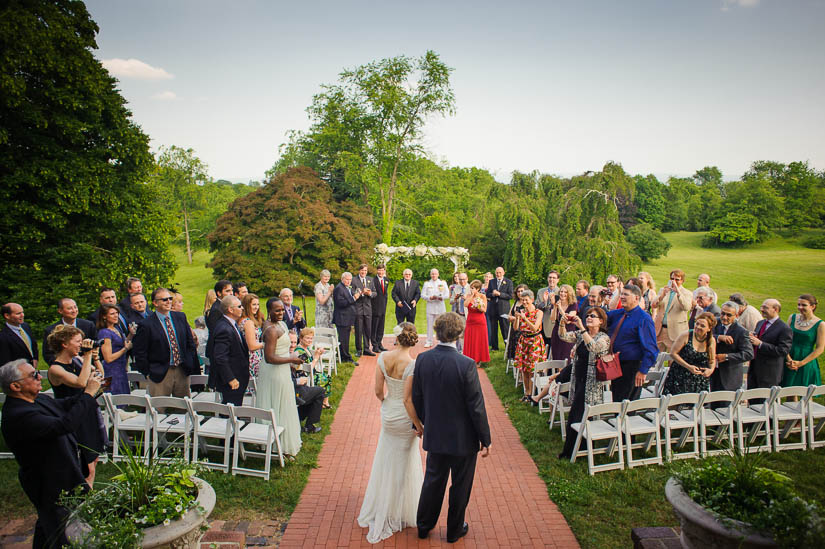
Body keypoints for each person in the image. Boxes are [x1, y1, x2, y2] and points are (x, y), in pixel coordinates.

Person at [1, 359, 101, 549]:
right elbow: (64, 425)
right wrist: (88, 394)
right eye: (33, 375)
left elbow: (65, 404)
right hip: (48, 481)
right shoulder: (18, 414)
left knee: (48, 525)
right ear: (15, 386)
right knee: (60, 529)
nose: (40, 377)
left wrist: (95, 390)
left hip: (61, 473)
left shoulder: (36, 398)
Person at [410, 312, 491, 543]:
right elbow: (476, 406)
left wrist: (422, 423)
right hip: (463, 439)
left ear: (436, 332)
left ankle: (424, 526)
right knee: (460, 486)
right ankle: (454, 530)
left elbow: (417, 396)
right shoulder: (466, 364)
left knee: (433, 481)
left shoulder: (423, 359)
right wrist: (485, 438)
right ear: (459, 333)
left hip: (435, 434)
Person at [357, 323, 423, 543]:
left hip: (388, 413)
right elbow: (408, 399)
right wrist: (418, 424)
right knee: (404, 462)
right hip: (404, 416)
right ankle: (400, 509)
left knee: (385, 457)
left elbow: (378, 390)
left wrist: (385, 403)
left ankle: (383, 503)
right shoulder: (412, 364)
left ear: (396, 338)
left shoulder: (383, 358)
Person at [46, 325, 107, 487]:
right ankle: (82, 494)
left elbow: (100, 375)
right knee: (83, 459)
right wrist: (87, 356)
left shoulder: (79, 360)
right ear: (65, 344)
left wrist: (95, 358)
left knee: (93, 456)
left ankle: (89, 491)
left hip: (88, 410)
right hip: (72, 414)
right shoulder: (55, 369)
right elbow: (81, 383)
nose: (81, 345)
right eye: (78, 341)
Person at [547, 307, 610, 459]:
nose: (588, 318)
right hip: (578, 380)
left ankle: (572, 452)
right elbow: (563, 336)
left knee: (579, 416)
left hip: (592, 385)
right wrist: (562, 323)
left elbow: (594, 348)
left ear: (600, 321)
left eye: (592, 316)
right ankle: (577, 450)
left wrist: (582, 328)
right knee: (576, 415)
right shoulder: (581, 335)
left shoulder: (603, 338)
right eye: (587, 315)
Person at [132, 288, 200, 397]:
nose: (168, 302)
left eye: (170, 298)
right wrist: (148, 372)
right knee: (159, 409)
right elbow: (140, 352)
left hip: (181, 369)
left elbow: (189, 343)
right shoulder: (146, 324)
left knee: (183, 408)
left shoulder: (180, 317)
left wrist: (189, 360)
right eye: (164, 299)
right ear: (155, 303)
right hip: (159, 373)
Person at [258, 299, 303, 456]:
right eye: (277, 310)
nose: (281, 313)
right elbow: (269, 358)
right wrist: (292, 359)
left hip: (282, 369)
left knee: (285, 403)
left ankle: (282, 441)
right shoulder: (270, 330)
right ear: (269, 310)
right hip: (274, 373)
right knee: (278, 403)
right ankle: (277, 444)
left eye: (282, 310)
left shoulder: (282, 324)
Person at [607, 284, 659, 402]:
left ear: (636, 298)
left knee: (626, 403)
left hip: (632, 367)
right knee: (617, 400)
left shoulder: (643, 318)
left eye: (626, 294)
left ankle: (623, 420)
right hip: (616, 364)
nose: (622, 297)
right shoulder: (618, 314)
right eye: (621, 294)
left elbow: (651, 348)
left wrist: (643, 371)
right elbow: (601, 317)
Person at [661, 312, 717, 395]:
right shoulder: (686, 336)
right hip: (680, 375)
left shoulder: (711, 341)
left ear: (709, 328)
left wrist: (711, 370)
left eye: (702, 326)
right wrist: (689, 367)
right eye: (697, 323)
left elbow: (712, 359)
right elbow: (673, 353)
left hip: (699, 380)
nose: (698, 327)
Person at [210, 296, 250, 405]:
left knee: (235, 407)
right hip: (232, 378)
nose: (242, 308)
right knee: (231, 409)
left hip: (239, 375)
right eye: (239, 306)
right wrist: (230, 378)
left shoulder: (231, 324)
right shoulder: (224, 328)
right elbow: (220, 357)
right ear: (230, 310)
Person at [747, 299, 793, 390]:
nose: (761, 309)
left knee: (764, 401)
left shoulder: (784, 328)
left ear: (775, 309)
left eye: (765, 307)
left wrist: (760, 344)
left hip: (769, 373)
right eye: (762, 306)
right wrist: (752, 338)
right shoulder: (760, 323)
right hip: (755, 368)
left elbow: (783, 351)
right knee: (752, 399)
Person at [710, 301, 754, 392]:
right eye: (723, 313)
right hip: (712, 373)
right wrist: (718, 337)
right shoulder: (714, 323)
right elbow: (703, 336)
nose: (724, 317)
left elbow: (748, 354)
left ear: (736, 316)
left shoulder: (741, 331)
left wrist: (726, 357)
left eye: (729, 315)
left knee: (725, 404)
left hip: (729, 376)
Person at [782, 294, 824, 388]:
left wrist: (801, 363)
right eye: (798, 304)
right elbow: (784, 339)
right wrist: (789, 359)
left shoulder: (820, 324)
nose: (800, 307)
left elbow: (820, 348)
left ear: (813, 306)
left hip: (806, 359)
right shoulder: (792, 317)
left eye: (804, 305)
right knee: (790, 391)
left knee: (806, 393)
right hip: (789, 356)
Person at [287, 333, 325, 434]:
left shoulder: (293, 354)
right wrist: (297, 381)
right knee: (320, 392)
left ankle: (299, 419)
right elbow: (306, 372)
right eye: (291, 342)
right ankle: (309, 425)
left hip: (298, 386)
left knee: (315, 392)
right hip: (293, 390)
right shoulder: (290, 355)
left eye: (295, 342)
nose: (293, 345)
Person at [42, 298, 97, 364]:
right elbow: (48, 354)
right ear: (60, 311)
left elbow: (95, 344)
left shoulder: (88, 325)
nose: (74, 310)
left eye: (75, 307)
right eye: (69, 308)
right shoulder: (51, 330)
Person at [514, 289, 545, 400]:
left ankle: (532, 394)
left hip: (534, 341)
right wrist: (517, 318)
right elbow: (516, 328)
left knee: (532, 369)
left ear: (532, 300)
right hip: (524, 341)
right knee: (524, 369)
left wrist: (525, 319)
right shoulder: (522, 312)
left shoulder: (538, 312)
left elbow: (535, 328)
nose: (524, 302)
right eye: (522, 300)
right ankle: (526, 393)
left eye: (526, 300)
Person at [97, 303, 134, 395]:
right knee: (113, 399)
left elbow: (122, 344)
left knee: (124, 398)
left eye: (117, 313)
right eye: (112, 314)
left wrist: (131, 334)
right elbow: (108, 358)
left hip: (121, 368)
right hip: (110, 370)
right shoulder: (104, 332)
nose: (116, 315)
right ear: (104, 316)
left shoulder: (116, 328)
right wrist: (125, 349)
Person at [654, 269, 693, 352]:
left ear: (682, 281)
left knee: (673, 359)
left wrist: (678, 293)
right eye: (672, 279)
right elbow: (654, 305)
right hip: (660, 330)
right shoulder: (663, 290)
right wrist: (662, 295)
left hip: (675, 331)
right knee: (656, 358)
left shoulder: (687, 293)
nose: (674, 282)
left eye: (677, 280)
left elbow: (686, 307)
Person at [295, 328, 331, 409]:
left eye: (311, 338)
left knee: (326, 376)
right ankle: (323, 402)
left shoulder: (305, 348)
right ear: (301, 338)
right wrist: (316, 357)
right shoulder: (300, 351)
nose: (309, 340)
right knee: (324, 378)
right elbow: (308, 368)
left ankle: (325, 402)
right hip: (305, 376)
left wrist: (317, 353)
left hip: (310, 373)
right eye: (307, 338)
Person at [0, 302, 39, 369]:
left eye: (22, 312)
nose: (22, 315)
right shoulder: (3, 337)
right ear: (7, 316)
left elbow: (33, 345)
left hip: (31, 369)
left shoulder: (26, 327)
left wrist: (35, 359)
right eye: (18, 313)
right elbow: (5, 361)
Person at [462, 280, 490, 366]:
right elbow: (465, 304)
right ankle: (469, 358)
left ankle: (479, 359)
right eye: (471, 288)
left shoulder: (483, 296)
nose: (471, 289)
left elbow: (484, 310)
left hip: (480, 321)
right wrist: (472, 296)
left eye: (473, 288)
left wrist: (478, 305)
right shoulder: (468, 295)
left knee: (479, 340)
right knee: (470, 339)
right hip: (470, 321)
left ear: (478, 289)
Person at [485, 266, 513, 350]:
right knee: (493, 329)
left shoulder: (508, 282)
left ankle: (507, 346)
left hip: (504, 309)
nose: (498, 274)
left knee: (505, 328)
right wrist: (493, 294)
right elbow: (487, 294)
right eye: (497, 272)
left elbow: (510, 295)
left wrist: (499, 294)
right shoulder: (492, 282)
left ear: (503, 273)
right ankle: (494, 347)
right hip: (493, 308)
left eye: (500, 272)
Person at [332, 272, 358, 363]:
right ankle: (346, 357)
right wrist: (354, 298)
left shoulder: (346, 288)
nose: (348, 281)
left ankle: (342, 355)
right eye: (347, 279)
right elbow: (341, 303)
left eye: (350, 279)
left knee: (345, 338)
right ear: (342, 279)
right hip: (342, 318)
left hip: (347, 317)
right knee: (344, 339)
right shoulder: (339, 288)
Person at [240, 293, 265, 384]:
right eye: (254, 304)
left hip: (255, 357)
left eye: (258, 304)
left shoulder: (249, 320)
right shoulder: (248, 322)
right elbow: (252, 346)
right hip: (252, 359)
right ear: (247, 306)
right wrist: (267, 344)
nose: (256, 307)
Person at [205, 280, 233, 362]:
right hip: (218, 352)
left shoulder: (224, 306)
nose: (231, 293)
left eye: (232, 290)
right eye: (227, 291)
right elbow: (216, 333)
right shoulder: (217, 309)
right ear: (219, 293)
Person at [421, 268, 449, 348]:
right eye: (432, 274)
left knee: (441, 325)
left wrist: (441, 297)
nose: (434, 275)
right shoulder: (427, 284)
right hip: (430, 307)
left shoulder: (442, 283)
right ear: (430, 275)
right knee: (430, 325)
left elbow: (447, 294)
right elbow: (422, 295)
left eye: (435, 274)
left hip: (440, 307)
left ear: (438, 274)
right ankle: (429, 341)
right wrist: (430, 297)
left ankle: (441, 341)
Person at [352, 264, 376, 356]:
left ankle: (366, 349)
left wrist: (370, 294)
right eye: (362, 270)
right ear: (359, 271)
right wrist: (362, 292)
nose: (364, 272)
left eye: (365, 270)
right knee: (358, 330)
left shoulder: (370, 279)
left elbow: (375, 293)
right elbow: (352, 292)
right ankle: (359, 350)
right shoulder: (354, 280)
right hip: (358, 308)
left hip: (368, 309)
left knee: (368, 329)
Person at [549, 284, 578, 361]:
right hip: (556, 332)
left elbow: (568, 320)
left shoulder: (573, 305)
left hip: (568, 333)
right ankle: (558, 372)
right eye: (561, 291)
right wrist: (555, 306)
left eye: (565, 292)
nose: (563, 293)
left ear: (569, 294)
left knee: (566, 357)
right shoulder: (556, 303)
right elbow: (552, 318)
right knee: (557, 357)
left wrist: (560, 308)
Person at [536, 271, 561, 347]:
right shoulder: (541, 291)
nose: (551, 279)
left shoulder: (561, 292)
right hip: (541, 323)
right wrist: (544, 301)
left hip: (553, 323)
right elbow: (537, 307)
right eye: (550, 277)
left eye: (554, 278)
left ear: (558, 280)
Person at [506, 284, 529, 363]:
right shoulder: (515, 302)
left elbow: (528, 317)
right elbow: (509, 314)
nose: (520, 293)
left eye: (522, 291)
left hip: (522, 329)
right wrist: (510, 317)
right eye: (518, 291)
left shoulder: (526, 303)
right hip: (514, 328)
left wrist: (515, 318)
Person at [371, 264, 391, 352]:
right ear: (377, 271)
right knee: (374, 327)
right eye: (379, 270)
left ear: (384, 271)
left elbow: (385, 294)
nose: (381, 272)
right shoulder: (372, 281)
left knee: (381, 327)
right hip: (375, 307)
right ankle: (374, 345)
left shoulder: (386, 280)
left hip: (383, 307)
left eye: (382, 270)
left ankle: (379, 343)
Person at [450, 272, 470, 351]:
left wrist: (466, 299)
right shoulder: (456, 288)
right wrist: (455, 298)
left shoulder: (471, 288)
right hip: (459, 314)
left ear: (467, 279)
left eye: (464, 279)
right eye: (460, 279)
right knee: (460, 334)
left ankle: (467, 350)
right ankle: (461, 350)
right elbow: (451, 301)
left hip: (468, 315)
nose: (462, 281)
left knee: (468, 334)